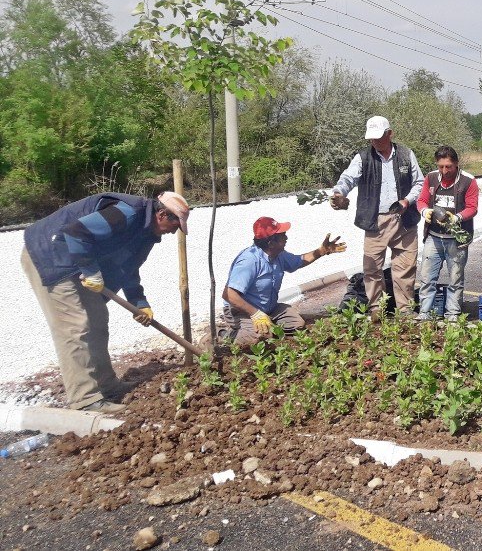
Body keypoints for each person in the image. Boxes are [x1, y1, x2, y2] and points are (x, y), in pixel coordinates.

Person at [21, 192, 190, 413]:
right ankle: (85, 400)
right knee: (75, 326)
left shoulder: (146, 233)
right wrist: (91, 272)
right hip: (52, 256)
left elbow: (129, 266)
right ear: (161, 214)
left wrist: (139, 302)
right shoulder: (129, 213)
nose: (173, 231)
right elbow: (76, 232)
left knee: (98, 318)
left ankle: (107, 385)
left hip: (79, 259)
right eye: (174, 224)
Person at [329, 116, 424, 315]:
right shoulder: (363, 158)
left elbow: (419, 183)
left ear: (390, 134)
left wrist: (407, 201)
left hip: (404, 220)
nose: (375, 142)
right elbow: (348, 178)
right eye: (371, 138)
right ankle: (376, 310)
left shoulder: (406, 155)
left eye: (379, 137)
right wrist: (339, 193)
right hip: (375, 221)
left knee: (405, 267)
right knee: (372, 269)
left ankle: (405, 311)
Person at [221, 217, 346, 346]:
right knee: (259, 337)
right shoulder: (249, 261)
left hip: (268, 308)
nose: (286, 238)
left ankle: (266, 325)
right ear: (271, 243)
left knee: (296, 324)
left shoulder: (278, 254)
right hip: (241, 311)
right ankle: (223, 335)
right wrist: (255, 313)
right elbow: (229, 294)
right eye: (282, 236)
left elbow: (299, 261)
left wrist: (321, 251)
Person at [415, 146, 479, 321]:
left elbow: (472, 208)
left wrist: (457, 218)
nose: (444, 170)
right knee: (427, 278)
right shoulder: (431, 178)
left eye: (448, 166)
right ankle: (424, 313)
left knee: (455, 279)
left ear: (456, 164)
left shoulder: (468, 181)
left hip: (456, 240)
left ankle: (452, 314)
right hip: (434, 238)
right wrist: (424, 211)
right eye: (441, 166)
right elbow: (421, 200)